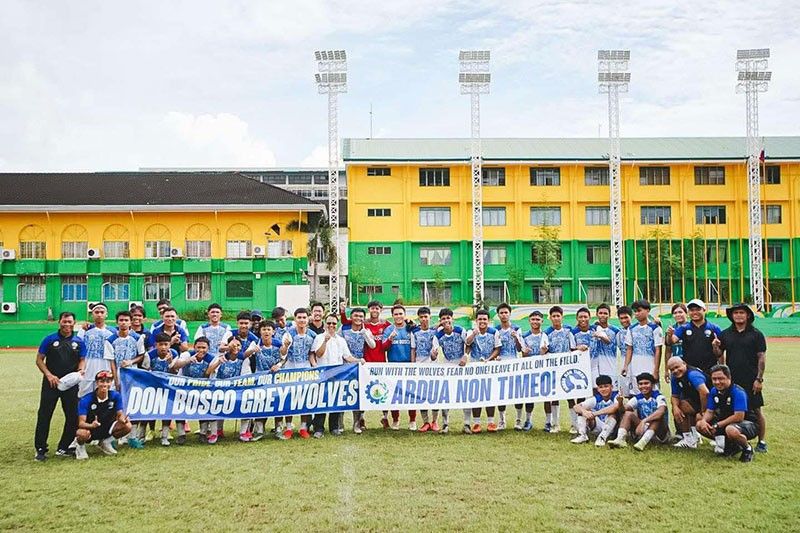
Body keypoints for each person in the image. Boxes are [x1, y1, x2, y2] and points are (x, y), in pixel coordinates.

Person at [714, 303, 768, 453]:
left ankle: (762, 441)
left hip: (751, 379)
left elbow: (761, 357)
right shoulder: (726, 334)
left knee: (756, 410)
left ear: (748, 315)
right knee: (731, 411)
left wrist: (759, 379)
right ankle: (734, 440)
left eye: (741, 313)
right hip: (732, 380)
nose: (738, 315)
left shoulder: (756, 334)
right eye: (735, 313)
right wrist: (715, 346)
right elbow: (719, 354)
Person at [34, 312, 87, 461]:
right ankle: (40, 449)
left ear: (74, 323)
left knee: (72, 416)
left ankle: (63, 447)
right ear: (60, 322)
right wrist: (49, 375)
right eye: (64, 321)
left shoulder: (79, 342)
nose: (67, 324)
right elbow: (39, 360)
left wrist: (81, 370)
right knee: (44, 415)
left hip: (70, 384)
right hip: (51, 383)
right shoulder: (50, 339)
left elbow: (82, 359)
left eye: (70, 322)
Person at [310, 314, 362, 437]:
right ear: (325, 323)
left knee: (335, 402)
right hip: (323, 374)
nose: (331, 326)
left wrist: (359, 361)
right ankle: (319, 429)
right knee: (321, 402)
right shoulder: (319, 337)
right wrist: (325, 341)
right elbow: (318, 354)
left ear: (337, 324)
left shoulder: (341, 340)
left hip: (338, 375)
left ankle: (334, 427)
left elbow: (347, 357)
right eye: (329, 323)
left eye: (334, 323)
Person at [696, 364, 759, 462]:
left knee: (731, 430)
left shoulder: (738, 392)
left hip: (749, 424)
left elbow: (739, 417)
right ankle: (732, 445)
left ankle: (747, 448)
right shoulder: (714, 391)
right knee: (699, 424)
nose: (717, 382)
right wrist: (704, 421)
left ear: (729, 378)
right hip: (726, 423)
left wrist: (717, 425)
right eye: (714, 379)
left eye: (721, 379)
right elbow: (710, 411)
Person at [74, 370, 133, 460]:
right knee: (81, 433)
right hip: (91, 429)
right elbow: (81, 423)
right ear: (97, 383)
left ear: (111, 383)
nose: (105, 384)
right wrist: (92, 425)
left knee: (128, 426)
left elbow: (120, 414)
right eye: (102, 381)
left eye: (108, 381)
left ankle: (105, 442)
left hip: (107, 427)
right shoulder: (86, 399)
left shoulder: (115, 396)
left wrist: (123, 419)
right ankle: (80, 447)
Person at [279, 308, 317, 439]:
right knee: (289, 398)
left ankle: (303, 427)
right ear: (295, 319)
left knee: (304, 398)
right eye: (299, 317)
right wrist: (285, 346)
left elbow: (312, 353)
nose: (301, 320)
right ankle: (288, 427)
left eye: (304, 317)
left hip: (306, 369)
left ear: (308, 319)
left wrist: (314, 366)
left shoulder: (312, 335)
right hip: (290, 368)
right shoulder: (288, 334)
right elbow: (283, 353)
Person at [608, 372, 670, 451]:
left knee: (657, 418)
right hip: (642, 428)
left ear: (653, 385)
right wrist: (620, 403)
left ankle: (642, 443)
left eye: (646, 383)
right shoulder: (637, 398)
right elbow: (623, 411)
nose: (643, 386)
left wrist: (644, 421)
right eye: (640, 384)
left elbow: (660, 412)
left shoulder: (659, 397)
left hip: (659, 432)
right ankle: (620, 439)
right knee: (628, 414)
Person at [171, 337, 216, 444]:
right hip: (184, 388)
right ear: (194, 347)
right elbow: (175, 366)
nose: (201, 350)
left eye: (204, 348)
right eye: (198, 347)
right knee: (180, 410)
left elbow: (211, 375)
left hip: (203, 389)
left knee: (203, 410)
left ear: (208, 348)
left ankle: (203, 433)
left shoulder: (211, 358)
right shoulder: (187, 354)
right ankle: (181, 434)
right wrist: (187, 361)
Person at [340, 308, 377, 434]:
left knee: (357, 396)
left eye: (361, 316)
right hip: (345, 366)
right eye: (356, 315)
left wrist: (365, 333)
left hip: (359, 367)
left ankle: (357, 424)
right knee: (343, 395)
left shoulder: (366, 331)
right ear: (351, 316)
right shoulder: (344, 329)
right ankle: (340, 424)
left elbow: (373, 345)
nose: (358, 318)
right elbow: (337, 342)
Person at [208, 339, 253, 442]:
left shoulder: (244, 360)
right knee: (215, 405)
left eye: (238, 345)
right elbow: (210, 372)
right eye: (233, 345)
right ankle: (215, 432)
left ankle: (243, 432)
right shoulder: (220, 357)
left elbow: (246, 376)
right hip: (220, 389)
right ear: (228, 346)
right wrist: (218, 362)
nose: (235, 347)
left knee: (246, 404)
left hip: (238, 390)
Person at [381, 304, 417, 431]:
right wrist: (390, 339)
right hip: (393, 366)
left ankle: (412, 420)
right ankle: (395, 420)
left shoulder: (411, 328)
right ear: (392, 316)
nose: (398, 316)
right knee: (394, 394)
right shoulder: (388, 329)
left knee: (410, 394)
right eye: (396, 314)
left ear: (404, 314)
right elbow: (383, 348)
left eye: (400, 313)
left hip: (408, 365)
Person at [667, 299, 722, 378]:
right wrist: (669, 335)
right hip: (689, 370)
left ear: (704, 310)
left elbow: (720, 353)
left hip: (710, 370)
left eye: (698, 309)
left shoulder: (714, 328)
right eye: (692, 310)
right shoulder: (683, 328)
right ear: (689, 312)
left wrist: (716, 347)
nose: (695, 312)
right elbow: (672, 341)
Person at [466, 309, 501, 432]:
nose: (482, 321)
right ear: (476, 321)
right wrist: (474, 334)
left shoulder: (494, 332)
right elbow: (467, 344)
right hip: (475, 367)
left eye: (484, 319)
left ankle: (491, 422)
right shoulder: (471, 331)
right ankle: (476, 423)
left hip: (490, 367)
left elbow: (497, 349)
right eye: (480, 319)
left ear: (488, 321)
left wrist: (489, 359)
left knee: (490, 394)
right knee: (476, 395)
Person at [434, 308, 467, 435]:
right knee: (445, 396)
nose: (446, 321)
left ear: (452, 319)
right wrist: (433, 354)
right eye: (443, 319)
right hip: (448, 367)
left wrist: (465, 356)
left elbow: (468, 343)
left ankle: (467, 423)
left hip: (461, 366)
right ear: (440, 321)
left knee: (464, 395)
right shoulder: (438, 335)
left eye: (448, 318)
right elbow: (434, 352)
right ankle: (445, 424)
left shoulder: (460, 330)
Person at [621, 300, 663, 397]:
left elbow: (658, 350)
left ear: (648, 310)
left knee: (653, 395)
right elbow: (629, 349)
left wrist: (656, 370)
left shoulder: (655, 328)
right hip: (635, 368)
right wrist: (626, 366)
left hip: (650, 367)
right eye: (635, 311)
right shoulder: (631, 329)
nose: (637, 314)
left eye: (639, 311)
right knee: (637, 395)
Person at [544, 305, 576, 433]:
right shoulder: (547, 333)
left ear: (562, 317)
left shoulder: (568, 331)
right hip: (553, 369)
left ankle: (574, 424)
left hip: (567, 368)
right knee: (554, 397)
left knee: (570, 397)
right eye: (554, 316)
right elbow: (544, 350)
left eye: (558, 316)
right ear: (550, 318)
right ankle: (555, 424)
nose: (556, 318)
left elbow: (573, 348)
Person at [251, 321, 284, 440]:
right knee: (260, 402)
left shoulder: (278, 344)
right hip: (260, 378)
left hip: (276, 378)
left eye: (269, 329)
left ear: (273, 331)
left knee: (277, 402)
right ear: (260, 331)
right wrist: (252, 351)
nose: (266, 332)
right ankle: (259, 430)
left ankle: (279, 429)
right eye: (264, 329)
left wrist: (279, 365)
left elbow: (284, 358)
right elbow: (246, 355)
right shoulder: (255, 344)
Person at [77, 302, 117, 398]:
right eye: (97, 312)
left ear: (106, 314)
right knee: (85, 395)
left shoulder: (113, 332)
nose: (99, 314)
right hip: (89, 367)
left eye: (102, 312)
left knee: (106, 395)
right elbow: (79, 349)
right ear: (92, 314)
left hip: (106, 365)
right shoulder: (85, 330)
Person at [667, 356, 709, 449]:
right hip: (696, 401)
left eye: (677, 367)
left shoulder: (693, 375)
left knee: (699, 418)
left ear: (684, 364)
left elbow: (705, 393)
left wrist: (703, 412)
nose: (675, 371)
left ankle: (722, 440)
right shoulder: (674, 377)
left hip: (713, 404)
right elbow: (674, 396)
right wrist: (675, 408)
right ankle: (689, 439)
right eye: (672, 369)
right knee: (680, 406)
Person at [410, 307, 441, 433]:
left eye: (426, 317)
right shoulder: (414, 332)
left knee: (434, 395)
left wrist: (434, 355)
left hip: (433, 367)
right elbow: (413, 349)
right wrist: (413, 365)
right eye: (421, 317)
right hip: (419, 366)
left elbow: (436, 350)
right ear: (418, 318)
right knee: (421, 395)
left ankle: (435, 421)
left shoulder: (435, 331)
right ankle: (425, 422)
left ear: (430, 317)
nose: (424, 319)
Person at [494, 303, 524, 431]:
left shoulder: (517, 329)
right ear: (498, 315)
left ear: (510, 314)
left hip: (514, 363)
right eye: (501, 313)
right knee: (501, 394)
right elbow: (495, 348)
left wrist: (516, 338)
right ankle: (502, 420)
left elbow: (520, 348)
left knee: (517, 393)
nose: (504, 315)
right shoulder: (496, 330)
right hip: (501, 364)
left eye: (506, 312)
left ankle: (518, 420)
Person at [146, 333, 179, 445]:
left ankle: (165, 434)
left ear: (170, 344)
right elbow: (146, 371)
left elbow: (175, 373)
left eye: (166, 344)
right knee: (151, 409)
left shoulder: (174, 354)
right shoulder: (150, 355)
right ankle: (151, 431)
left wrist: (170, 363)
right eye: (161, 344)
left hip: (168, 387)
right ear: (156, 345)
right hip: (153, 386)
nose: (163, 347)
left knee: (167, 409)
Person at [519, 310, 548, 431]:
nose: (535, 321)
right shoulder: (524, 336)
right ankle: (528, 420)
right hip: (530, 371)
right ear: (529, 321)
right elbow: (524, 355)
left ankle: (548, 422)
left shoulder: (545, 335)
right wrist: (524, 353)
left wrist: (544, 352)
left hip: (545, 370)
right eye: (533, 319)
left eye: (538, 319)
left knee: (548, 397)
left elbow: (547, 353)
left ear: (542, 321)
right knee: (529, 397)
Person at [571, 375, 620, 447]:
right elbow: (576, 407)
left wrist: (594, 413)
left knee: (613, 414)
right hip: (598, 426)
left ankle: (602, 438)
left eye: (606, 386)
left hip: (613, 427)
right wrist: (585, 412)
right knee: (582, 411)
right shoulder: (596, 398)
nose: (603, 389)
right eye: (601, 387)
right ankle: (582, 435)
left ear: (611, 387)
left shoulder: (616, 396)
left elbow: (614, 408)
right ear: (598, 389)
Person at [568, 307, 593, 434]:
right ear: (577, 318)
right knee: (579, 397)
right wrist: (578, 348)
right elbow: (571, 349)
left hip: (594, 367)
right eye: (580, 317)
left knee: (593, 396)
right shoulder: (573, 332)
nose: (583, 319)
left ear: (589, 317)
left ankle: (593, 424)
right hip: (579, 368)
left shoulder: (595, 329)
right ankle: (577, 424)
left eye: (585, 317)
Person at [591, 303, 620, 392]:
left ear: (609, 315)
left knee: (612, 393)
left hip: (610, 366)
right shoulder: (592, 329)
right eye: (600, 313)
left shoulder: (615, 330)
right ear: (596, 314)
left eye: (605, 313)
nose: (603, 315)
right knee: (596, 393)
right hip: (594, 367)